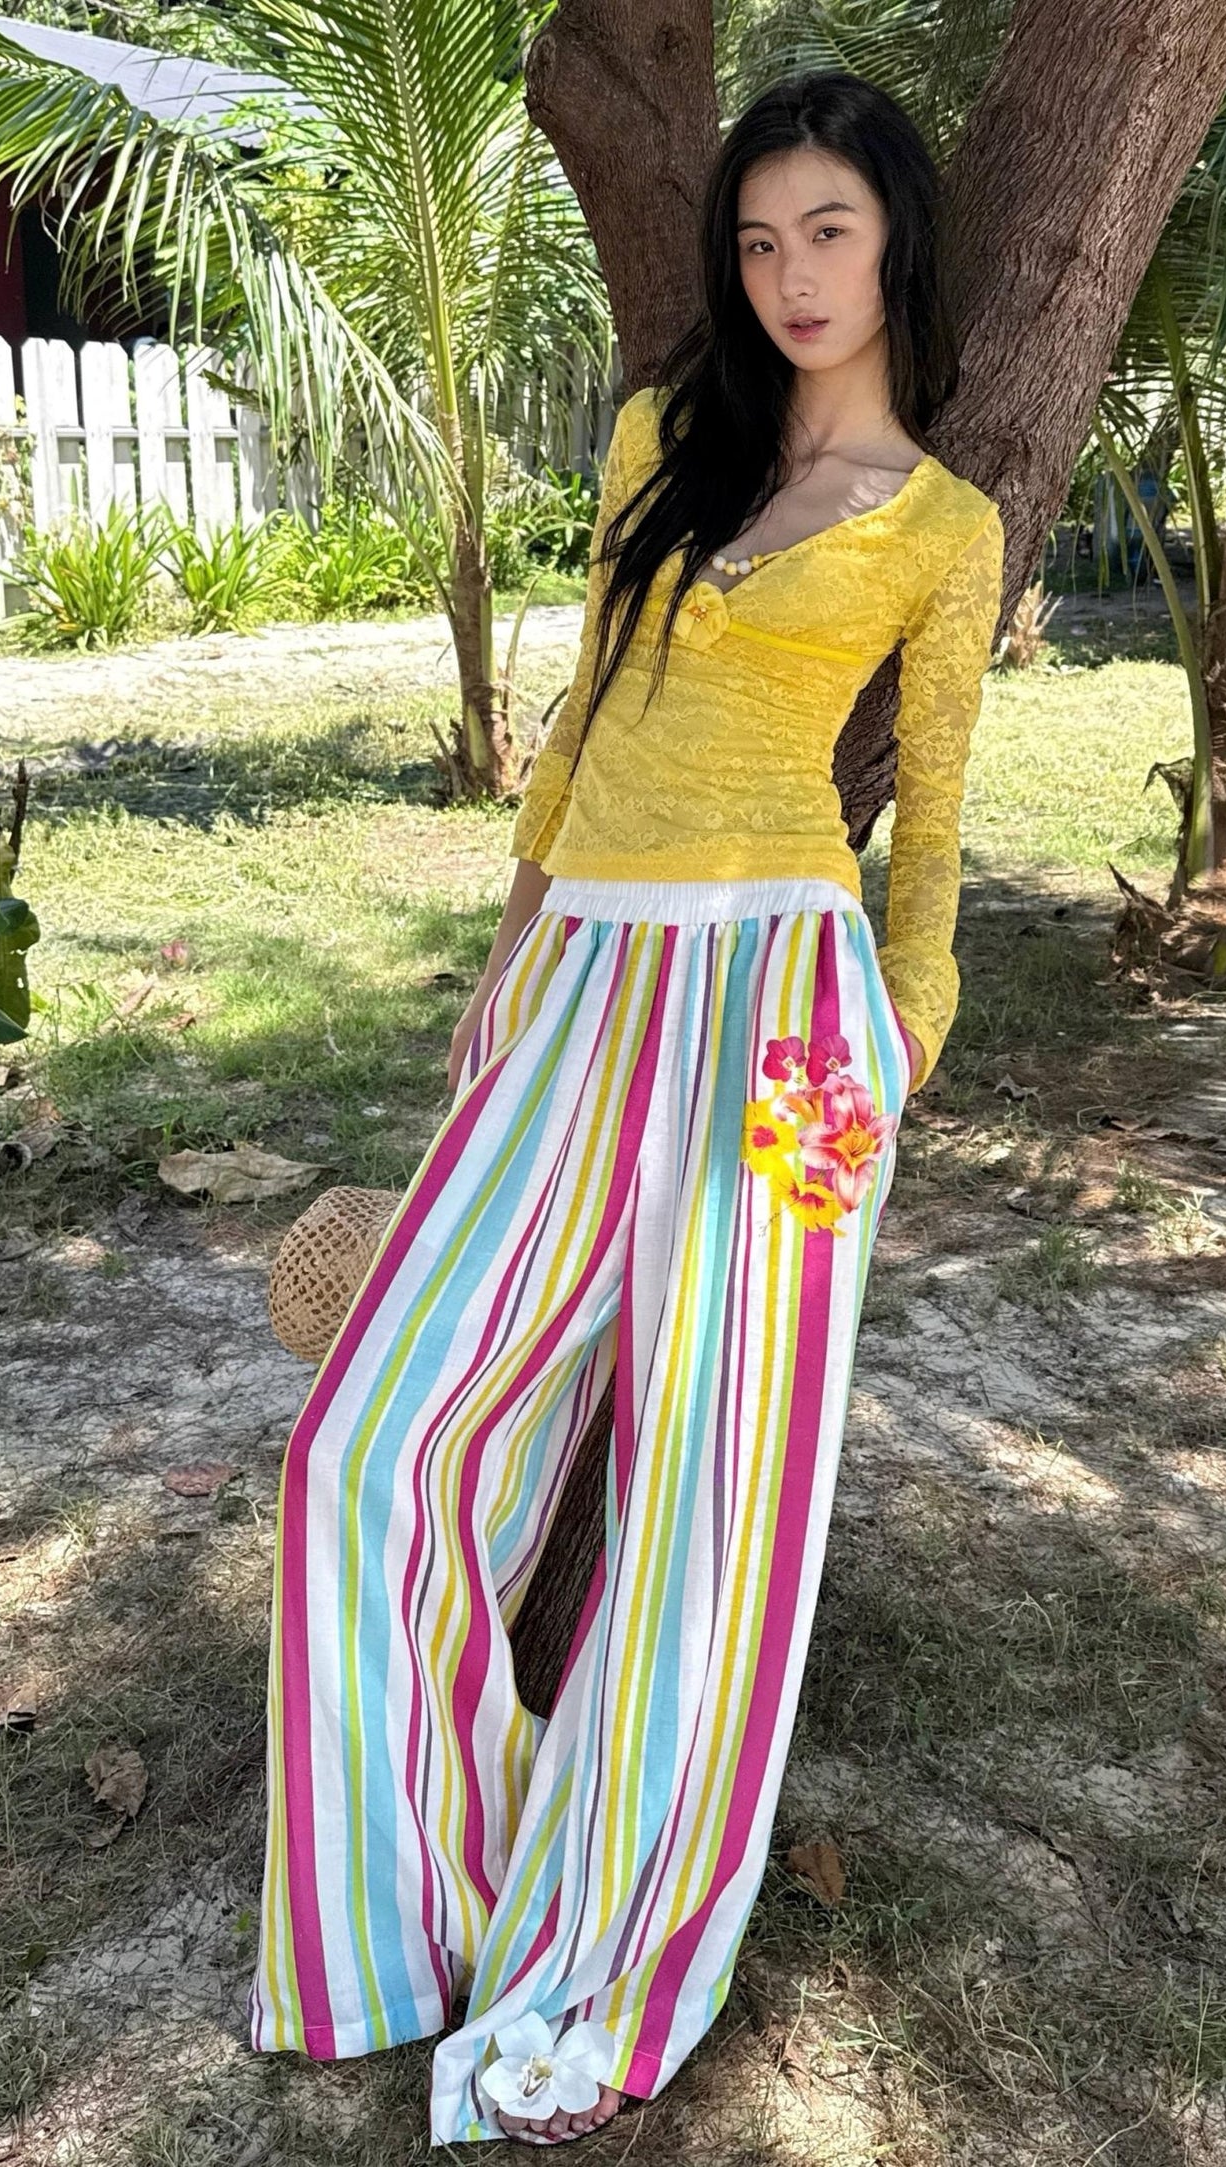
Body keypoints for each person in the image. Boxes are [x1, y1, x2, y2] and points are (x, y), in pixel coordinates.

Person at [246, 66, 1005, 2151]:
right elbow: (584, 718)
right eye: (759, 239)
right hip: (581, 981)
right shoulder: (666, 437)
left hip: (790, 1029)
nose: (791, 275)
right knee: (369, 1441)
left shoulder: (944, 528)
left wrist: (901, 1040)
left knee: (716, 1508)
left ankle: (609, 1954)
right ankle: (419, 1912)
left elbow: (934, 826)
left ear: (897, 240)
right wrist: (509, 955)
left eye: (829, 230)